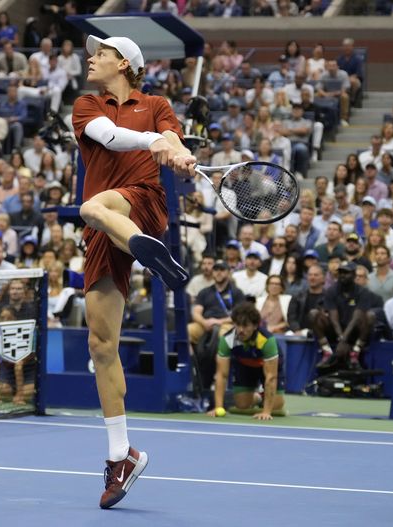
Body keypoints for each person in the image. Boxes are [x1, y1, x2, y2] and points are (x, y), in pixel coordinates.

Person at [71, 34, 196, 509]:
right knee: (101, 345)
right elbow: (109, 136)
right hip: (106, 229)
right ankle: (121, 455)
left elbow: (173, 139)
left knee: (92, 205)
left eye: (99, 54)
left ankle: (146, 247)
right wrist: (156, 141)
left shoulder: (157, 103)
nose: (91, 58)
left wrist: (177, 152)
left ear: (123, 62)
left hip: (141, 200)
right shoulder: (87, 105)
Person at [208, 302, 286, 420]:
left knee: (276, 406)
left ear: (255, 326)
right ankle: (258, 397)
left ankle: (267, 399)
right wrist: (218, 407)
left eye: (245, 326)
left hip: (267, 366)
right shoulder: (227, 340)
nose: (240, 330)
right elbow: (221, 375)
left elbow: (271, 377)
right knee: (242, 405)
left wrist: (266, 412)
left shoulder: (267, 340)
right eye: (238, 325)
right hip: (245, 366)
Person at [310, 261, 375, 369]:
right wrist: (341, 338)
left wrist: (344, 340)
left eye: (346, 273)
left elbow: (357, 317)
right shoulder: (332, 290)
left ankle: (355, 352)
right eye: (340, 272)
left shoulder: (362, 292)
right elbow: (333, 316)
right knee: (313, 314)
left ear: (354, 275)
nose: (342, 275)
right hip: (336, 329)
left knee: (370, 316)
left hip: (355, 330)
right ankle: (327, 351)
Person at [0, 305, 36, 405]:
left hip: (27, 369)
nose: (5, 321)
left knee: (28, 394)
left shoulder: (26, 333)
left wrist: (20, 396)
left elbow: (19, 365)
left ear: (15, 320)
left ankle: (21, 391)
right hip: (8, 368)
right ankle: (12, 389)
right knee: (4, 393)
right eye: (2, 318)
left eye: (9, 318)